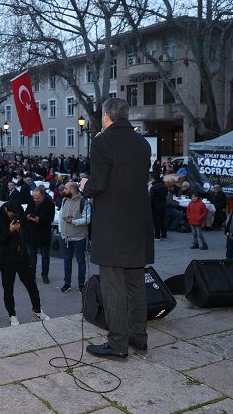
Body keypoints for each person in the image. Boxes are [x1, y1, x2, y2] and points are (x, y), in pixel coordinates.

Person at [80, 97, 154, 359]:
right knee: (136, 285)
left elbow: (99, 183)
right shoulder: (142, 143)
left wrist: (83, 186)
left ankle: (118, 344)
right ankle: (139, 337)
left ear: (106, 116)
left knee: (113, 287)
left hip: (112, 228)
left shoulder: (103, 141)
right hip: (138, 225)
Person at [0, 200, 49, 326]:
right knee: (8, 288)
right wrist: (10, 230)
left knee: (32, 285)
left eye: (17, 214)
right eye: (13, 214)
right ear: (7, 210)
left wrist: (19, 231)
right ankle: (12, 315)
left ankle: (37, 311)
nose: (15, 217)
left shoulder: (20, 213)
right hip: (6, 259)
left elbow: (28, 233)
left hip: (22, 257)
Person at [58, 181, 91, 293]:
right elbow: (60, 215)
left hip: (79, 237)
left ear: (72, 189)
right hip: (66, 237)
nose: (64, 191)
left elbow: (87, 219)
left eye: (66, 189)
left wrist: (73, 221)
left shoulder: (84, 201)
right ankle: (67, 283)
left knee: (81, 261)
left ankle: (82, 285)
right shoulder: (64, 200)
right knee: (67, 261)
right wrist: (61, 230)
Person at [25, 188, 55, 284]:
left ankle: (45, 275)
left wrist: (39, 219)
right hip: (31, 234)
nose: (36, 200)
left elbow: (50, 219)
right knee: (31, 256)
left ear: (43, 195)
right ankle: (31, 274)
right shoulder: (31, 201)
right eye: (34, 198)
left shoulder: (50, 204)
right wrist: (27, 216)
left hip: (43, 234)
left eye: (38, 198)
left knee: (45, 256)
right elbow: (26, 212)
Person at [149, 173, 168, 241]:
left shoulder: (153, 187)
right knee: (163, 220)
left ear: (154, 179)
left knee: (156, 221)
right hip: (163, 205)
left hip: (156, 206)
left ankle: (157, 236)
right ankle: (164, 235)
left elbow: (151, 198)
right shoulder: (164, 186)